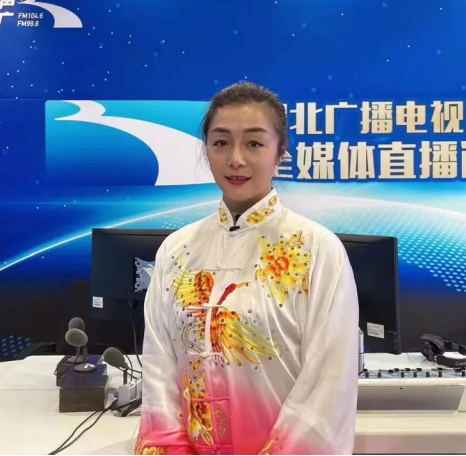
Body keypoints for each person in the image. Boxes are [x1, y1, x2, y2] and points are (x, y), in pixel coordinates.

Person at [135, 82, 359, 455]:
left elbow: (328, 384)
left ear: (280, 151)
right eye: (221, 143)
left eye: (254, 143)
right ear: (206, 150)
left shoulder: (317, 249)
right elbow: (160, 370)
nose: (236, 159)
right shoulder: (176, 250)